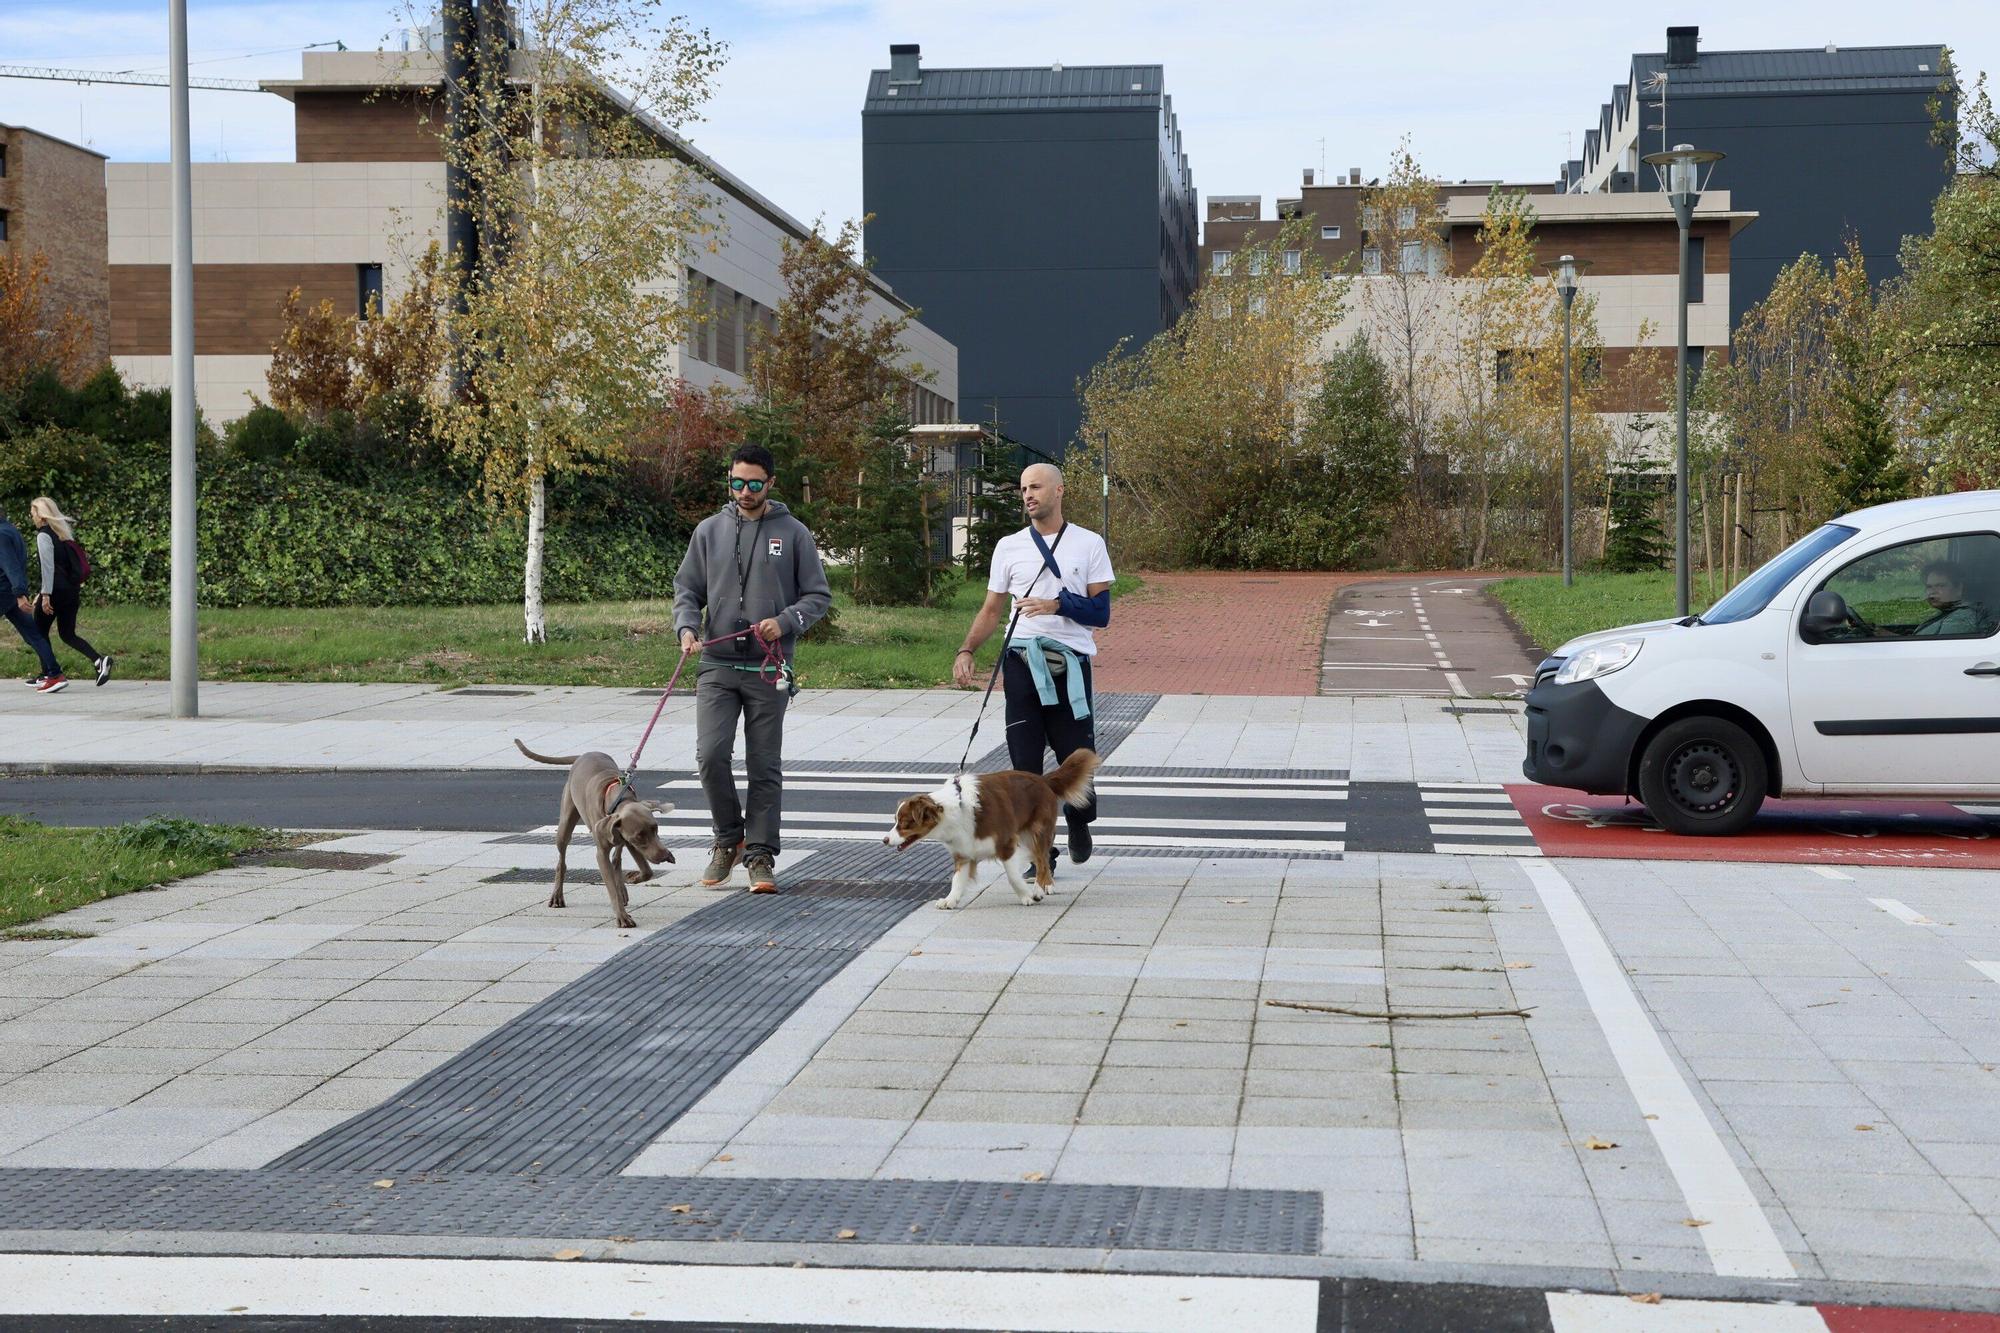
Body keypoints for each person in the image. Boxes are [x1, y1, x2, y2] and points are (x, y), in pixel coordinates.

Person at [673, 443, 832, 894]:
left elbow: (817, 596)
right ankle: (728, 838)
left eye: (754, 484)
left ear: (771, 483)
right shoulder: (708, 531)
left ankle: (760, 854)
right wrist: (686, 628)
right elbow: (687, 590)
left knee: (764, 765)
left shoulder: (794, 533)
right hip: (717, 663)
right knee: (710, 755)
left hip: (768, 666)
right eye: (737, 482)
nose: (744, 491)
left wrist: (783, 623)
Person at [953, 462, 1114, 863]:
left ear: (1059, 491)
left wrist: (1058, 604)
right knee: (1024, 764)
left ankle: (1079, 821)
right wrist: (967, 650)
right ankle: (1042, 853)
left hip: (1069, 664)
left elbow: (1101, 612)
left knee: (1075, 757)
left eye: (1036, 487)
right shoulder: (1009, 546)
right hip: (1021, 662)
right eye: (1023, 488)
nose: (1028, 495)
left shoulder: (1089, 543)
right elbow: (992, 609)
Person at [28, 498, 112, 688]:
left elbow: (48, 568)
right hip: (71, 591)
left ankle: (49, 674)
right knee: (67, 634)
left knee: (38, 632)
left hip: (55, 592)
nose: (31, 516)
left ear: (41, 515)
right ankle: (99, 661)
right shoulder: (63, 534)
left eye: (32, 512)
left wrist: (46, 595)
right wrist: (41, 592)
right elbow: (62, 568)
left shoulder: (43, 535)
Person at [0, 505, 65, 693]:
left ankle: (54, 674)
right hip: (11, 592)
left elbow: (11, 566)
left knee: (33, 634)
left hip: (5, 591)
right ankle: (54, 673)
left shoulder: (2, 534)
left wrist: (20, 594)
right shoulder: (10, 530)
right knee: (33, 635)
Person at [1911, 560, 1988, 637]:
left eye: (1940, 586)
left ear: (1958, 589)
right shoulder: (1948, 612)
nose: (1932, 591)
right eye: (1929, 587)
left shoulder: (1961, 618)